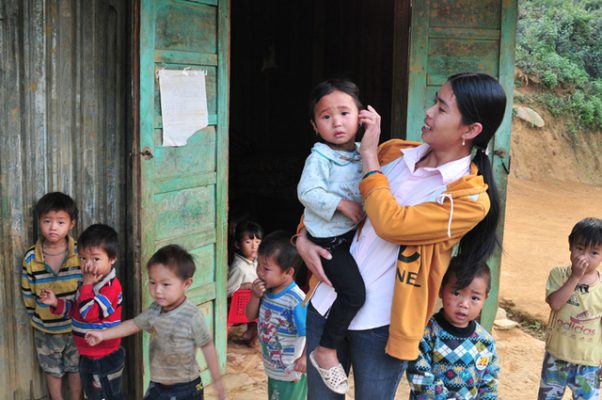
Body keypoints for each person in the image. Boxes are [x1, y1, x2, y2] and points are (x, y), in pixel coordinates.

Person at [295, 72, 507, 399]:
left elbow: (391, 224)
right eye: (434, 102)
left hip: (383, 325)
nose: (429, 112)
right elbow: (331, 195)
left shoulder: (468, 198)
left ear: (470, 130)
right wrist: (301, 239)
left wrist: (369, 155)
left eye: (441, 108)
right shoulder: (394, 153)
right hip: (327, 302)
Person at [85, 244, 226, 400]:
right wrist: (103, 335)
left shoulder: (192, 316)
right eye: (152, 282)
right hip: (157, 385)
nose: (157, 290)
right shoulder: (155, 309)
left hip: (185, 389)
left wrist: (217, 381)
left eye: (166, 284)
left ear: (186, 284)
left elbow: (207, 347)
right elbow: (133, 324)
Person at [297, 78, 366, 394]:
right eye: (326, 116)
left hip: (350, 238)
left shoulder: (364, 153)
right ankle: (325, 349)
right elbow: (307, 192)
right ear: (315, 126)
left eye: (344, 113)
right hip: (329, 243)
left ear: (360, 116)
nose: (336, 122)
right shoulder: (320, 157)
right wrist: (341, 203)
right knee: (354, 293)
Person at [40, 224, 124, 400]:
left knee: (106, 396)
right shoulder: (87, 284)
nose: (88, 265)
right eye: (83, 258)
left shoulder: (110, 288)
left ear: (112, 259)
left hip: (104, 356)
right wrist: (55, 302)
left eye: (96, 259)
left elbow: (90, 314)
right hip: (86, 354)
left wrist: (86, 285)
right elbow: (77, 311)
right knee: (92, 395)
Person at [407, 257, 499, 399]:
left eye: (474, 298)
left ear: (485, 299)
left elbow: (489, 384)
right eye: (456, 293)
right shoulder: (426, 334)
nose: (464, 304)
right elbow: (419, 377)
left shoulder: (485, 341)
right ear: (441, 290)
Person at [21, 192, 82, 400]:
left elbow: (87, 287)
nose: (53, 227)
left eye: (60, 222)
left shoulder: (80, 253)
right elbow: (27, 292)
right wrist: (36, 316)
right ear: (39, 222)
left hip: (75, 326)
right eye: (47, 221)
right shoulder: (31, 257)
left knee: (76, 368)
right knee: (51, 369)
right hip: (46, 328)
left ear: (71, 224)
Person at [537, 217, 602, 400]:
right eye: (580, 248)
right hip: (556, 357)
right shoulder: (558, 275)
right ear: (570, 246)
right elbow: (555, 304)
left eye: (594, 253)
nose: (584, 257)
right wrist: (575, 277)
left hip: (589, 363)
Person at [246, 231, 308, 400]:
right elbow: (250, 316)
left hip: (291, 370)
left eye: (266, 269)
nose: (259, 272)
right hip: (273, 367)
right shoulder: (266, 291)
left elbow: (309, 331)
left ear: (288, 272)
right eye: (258, 265)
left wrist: (304, 359)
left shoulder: (295, 300)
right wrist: (255, 296)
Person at [227, 220, 263, 345]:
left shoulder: (257, 262)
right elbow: (227, 290)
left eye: (258, 242)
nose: (254, 247)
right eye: (248, 242)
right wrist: (246, 286)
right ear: (238, 245)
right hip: (239, 308)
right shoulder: (239, 267)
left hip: (250, 306)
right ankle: (253, 337)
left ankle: (250, 333)